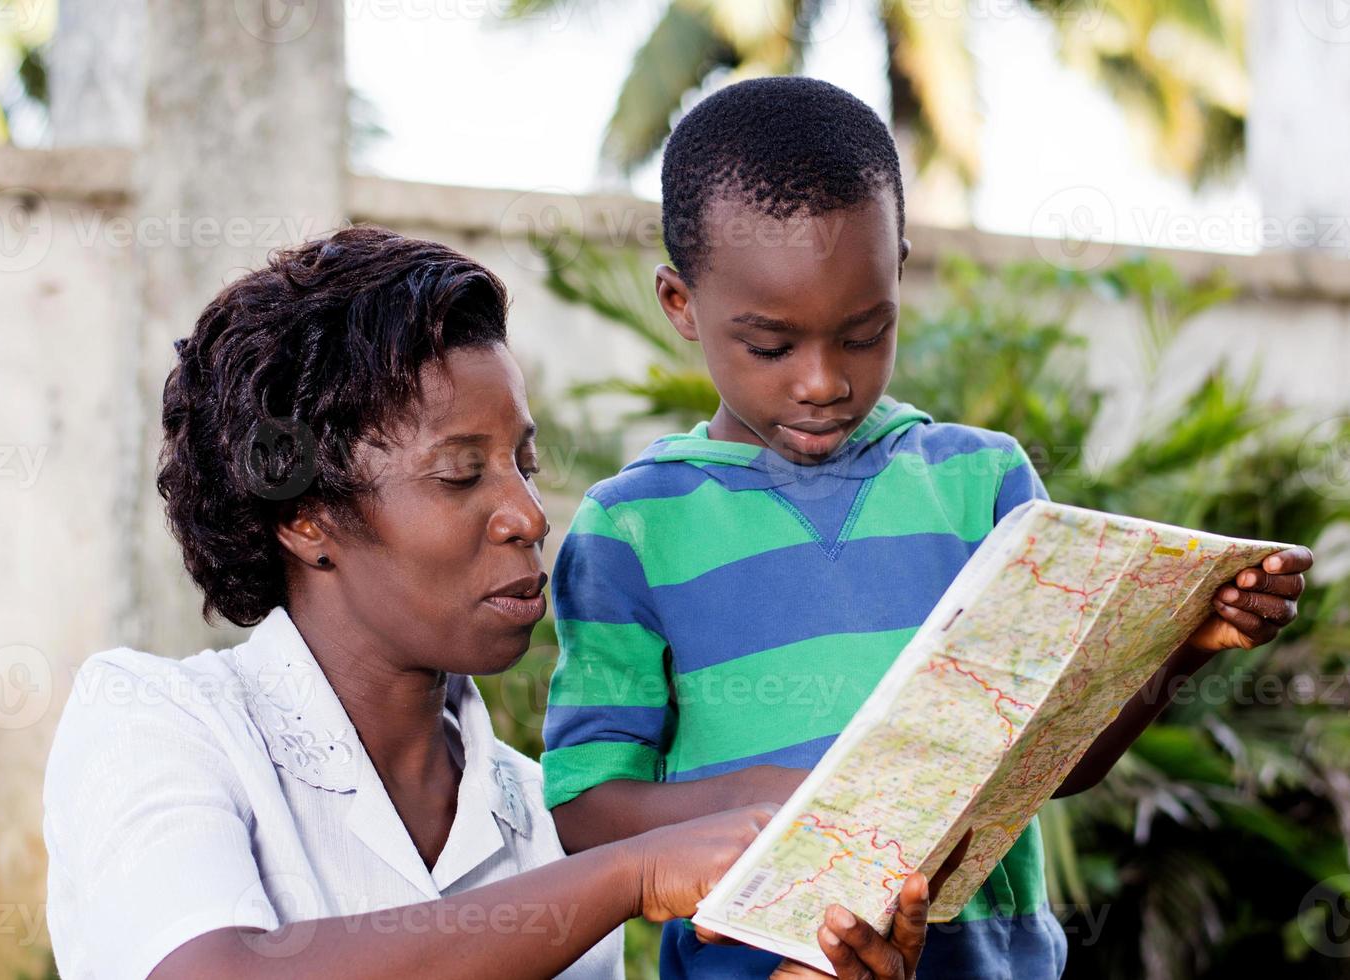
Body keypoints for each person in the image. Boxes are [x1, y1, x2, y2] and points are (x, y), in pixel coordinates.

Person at [540, 77, 1314, 979]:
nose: (823, 380)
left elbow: (1054, 765)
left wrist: (1184, 647)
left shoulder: (981, 487)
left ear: (899, 271)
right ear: (680, 304)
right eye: (771, 346)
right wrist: (788, 809)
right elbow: (586, 810)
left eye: (865, 333)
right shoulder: (631, 530)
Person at [41, 225, 938, 980]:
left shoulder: (533, 817)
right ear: (307, 516)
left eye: (525, 464)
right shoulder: (160, 722)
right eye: (460, 473)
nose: (526, 514)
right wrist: (629, 873)